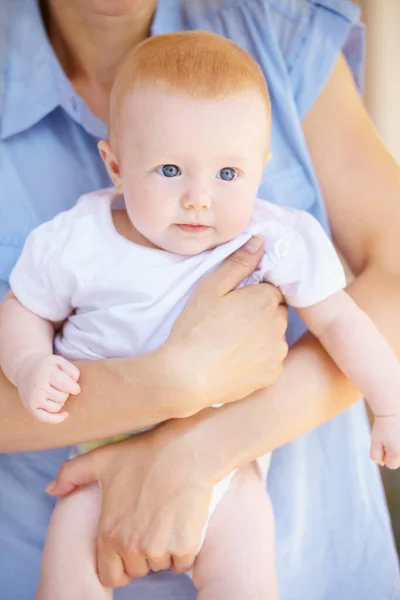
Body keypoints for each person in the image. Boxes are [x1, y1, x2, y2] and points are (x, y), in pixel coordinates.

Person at [1, 1, 400, 599]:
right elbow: (24, 309)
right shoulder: (78, 238)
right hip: (91, 467)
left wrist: (388, 400)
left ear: (260, 170)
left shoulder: (274, 239)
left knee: (244, 569)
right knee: (67, 570)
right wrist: (30, 364)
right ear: (114, 165)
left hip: (233, 474)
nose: (198, 199)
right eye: (168, 170)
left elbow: (344, 319)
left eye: (228, 175)